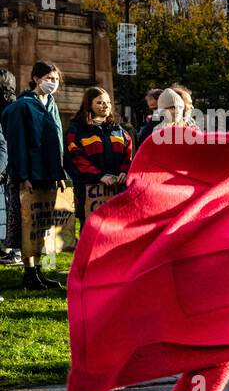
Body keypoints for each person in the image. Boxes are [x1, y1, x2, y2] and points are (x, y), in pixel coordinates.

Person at [0, 60, 66, 291]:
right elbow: (17, 144)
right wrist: (22, 175)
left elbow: (57, 140)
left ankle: (38, 270)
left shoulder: (51, 103)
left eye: (56, 79)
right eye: (49, 78)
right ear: (37, 79)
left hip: (49, 173)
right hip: (29, 176)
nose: (53, 83)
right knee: (28, 224)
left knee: (41, 224)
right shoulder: (22, 106)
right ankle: (29, 274)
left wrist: (59, 173)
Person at [63, 87, 133, 231]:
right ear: (89, 105)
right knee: (90, 234)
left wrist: (124, 172)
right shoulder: (76, 131)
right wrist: (100, 176)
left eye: (107, 102)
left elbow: (128, 156)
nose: (105, 105)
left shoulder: (120, 131)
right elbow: (75, 159)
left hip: (116, 192)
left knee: (116, 234)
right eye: (99, 102)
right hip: (89, 192)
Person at [0, 69, 21, 268]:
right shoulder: (12, 106)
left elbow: (6, 142)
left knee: (14, 210)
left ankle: (15, 251)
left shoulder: (9, 108)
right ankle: (11, 250)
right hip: (12, 167)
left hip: (13, 168)